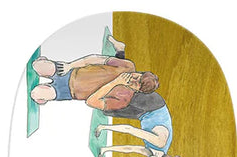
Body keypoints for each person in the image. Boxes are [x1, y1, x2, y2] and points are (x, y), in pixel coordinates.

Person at [30, 34, 159, 107]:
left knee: (35, 94)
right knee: (36, 66)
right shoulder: (128, 67)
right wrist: (70, 65)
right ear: (140, 72)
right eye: (137, 76)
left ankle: (120, 49)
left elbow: (91, 102)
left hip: (68, 92)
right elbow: (94, 59)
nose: (132, 79)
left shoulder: (124, 100)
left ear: (138, 90)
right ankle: (120, 49)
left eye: (136, 84)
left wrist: (116, 83)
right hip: (70, 72)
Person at [94, 104, 182, 157]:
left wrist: (105, 150)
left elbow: (130, 149)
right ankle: (102, 123)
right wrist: (102, 127)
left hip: (144, 114)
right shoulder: (159, 143)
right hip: (154, 105)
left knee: (109, 111)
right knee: (111, 108)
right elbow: (129, 129)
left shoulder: (152, 153)